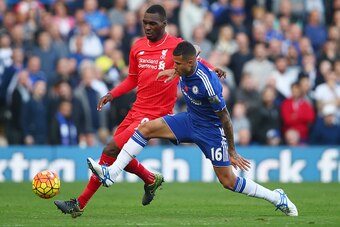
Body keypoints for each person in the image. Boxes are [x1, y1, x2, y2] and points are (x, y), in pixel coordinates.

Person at [87, 41, 298, 217]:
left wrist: (231, 150)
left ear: (190, 63)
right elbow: (194, 47)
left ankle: (276, 197)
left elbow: (226, 119)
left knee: (228, 181)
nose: (175, 67)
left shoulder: (208, 85)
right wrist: (174, 70)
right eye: (174, 63)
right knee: (145, 129)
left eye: (178, 64)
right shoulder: (188, 60)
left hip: (211, 130)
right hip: (190, 120)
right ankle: (112, 173)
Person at [54, 5, 225, 218]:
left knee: (109, 149)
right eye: (144, 23)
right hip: (136, 109)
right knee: (117, 153)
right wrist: (112, 94)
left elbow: (194, 60)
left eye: (152, 23)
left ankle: (79, 203)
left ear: (164, 24)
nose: (147, 27)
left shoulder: (176, 45)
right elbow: (132, 79)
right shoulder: (138, 47)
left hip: (155, 114)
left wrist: (212, 68)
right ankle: (151, 179)